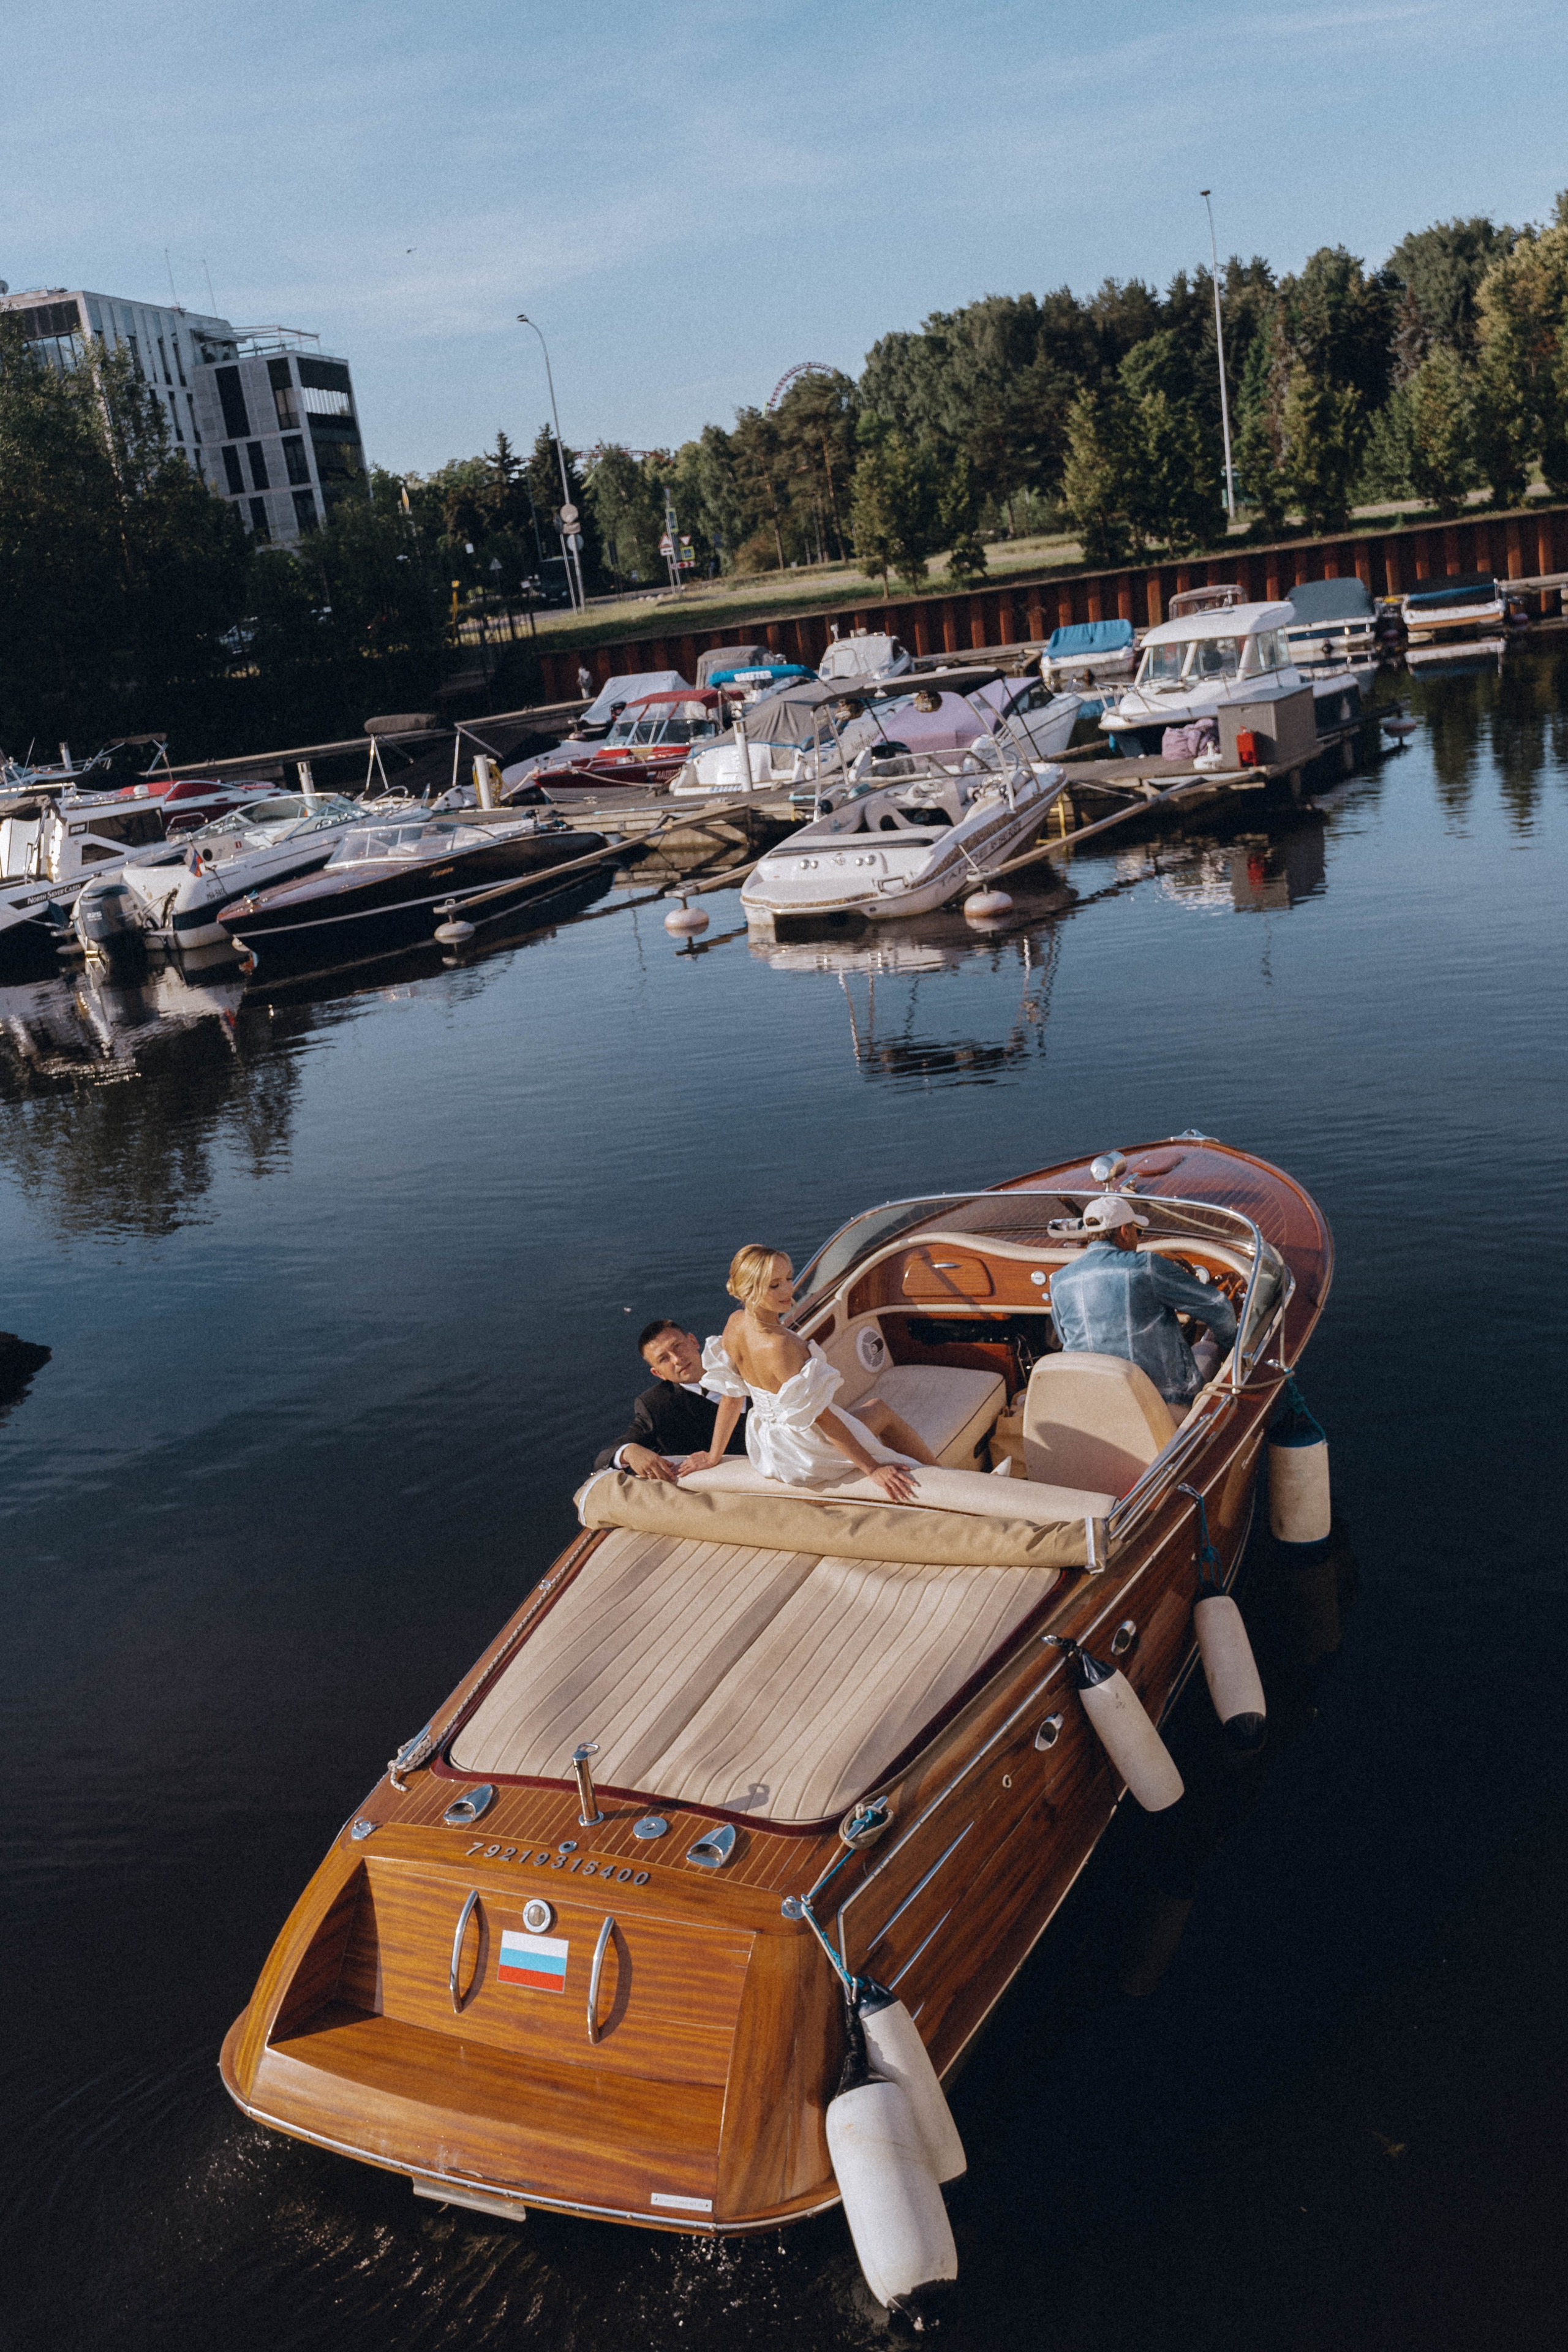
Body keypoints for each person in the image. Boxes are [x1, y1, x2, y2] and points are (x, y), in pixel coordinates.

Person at [681, 1245, 938, 1502]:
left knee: (875, 1409)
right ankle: (942, 1476)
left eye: (789, 1278)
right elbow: (823, 1419)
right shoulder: (780, 1345)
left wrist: (714, 1455)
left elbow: (732, 1397)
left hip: (768, 1445)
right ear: (748, 1290)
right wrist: (873, 1468)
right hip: (802, 1450)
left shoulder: (735, 1323)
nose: (787, 1290)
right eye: (774, 1286)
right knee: (881, 1411)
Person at [1048, 1195, 1238, 1408]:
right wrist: (1229, 1344)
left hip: (1094, 1401)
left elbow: (1065, 1338)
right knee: (1209, 1348)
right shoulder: (1146, 1267)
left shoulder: (1060, 1280)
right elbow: (1219, 1308)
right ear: (1125, 1231)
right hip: (1163, 1402)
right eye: (1138, 1231)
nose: (1138, 1239)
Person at [594, 1319, 747, 1483]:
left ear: (693, 1341)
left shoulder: (738, 1362)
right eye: (663, 1359)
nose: (676, 1359)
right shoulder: (657, 1405)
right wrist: (629, 1452)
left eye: (677, 1346)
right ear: (658, 1373)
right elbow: (603, 1459)